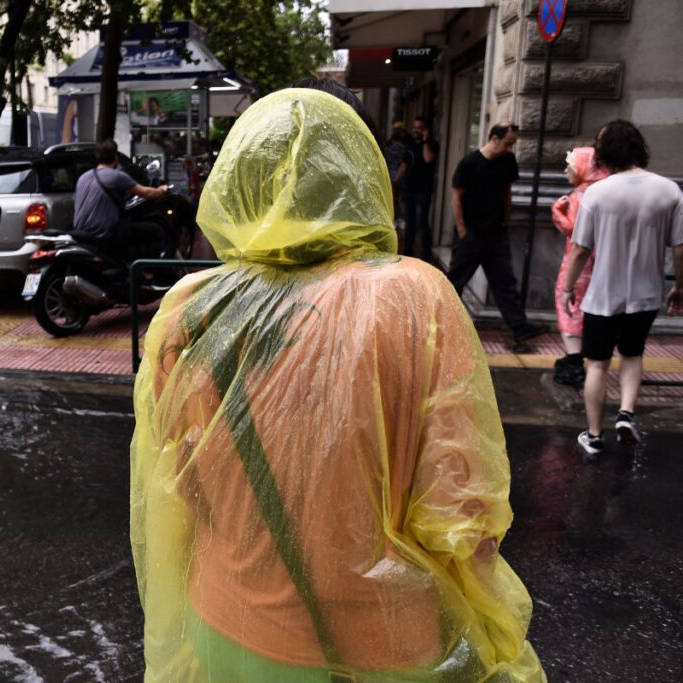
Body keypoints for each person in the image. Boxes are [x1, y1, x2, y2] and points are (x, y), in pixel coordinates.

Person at [131, 83, 544, 681]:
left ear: (239, 180)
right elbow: (465, 516)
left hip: (224, 625)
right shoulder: (413, 297)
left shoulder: (190, 309)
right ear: (360, 173)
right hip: (378, 644)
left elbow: (179, 483)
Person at [562, 120, 683, 456]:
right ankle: (626, 414)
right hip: (646, 294)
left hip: (602, 295)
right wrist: (680, 288)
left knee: (597, 363)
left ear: (606, 154)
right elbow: (680, 247)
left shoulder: (597, 193)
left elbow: (581, 248)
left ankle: (595, 434)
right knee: (633, 354)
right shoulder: (669, 190)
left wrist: (568, 288)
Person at [449, 123, 548, 343]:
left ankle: (519, 327)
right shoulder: (469, 163)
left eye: (512, 144)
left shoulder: (507, 161)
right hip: (471, 234)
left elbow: (507, 191)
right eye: (507, 143)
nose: (510, 148)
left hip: (496, 234)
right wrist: (463, 231)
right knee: (455, 281)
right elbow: (456, 197)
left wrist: (506, 218)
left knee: (505, 282)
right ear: (494, 138)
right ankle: (439, 325)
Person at [551, 147, 608, 386]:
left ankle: (574, 361)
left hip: (579, 263)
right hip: (604, 263)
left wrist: (557, 213)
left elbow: (576, 233)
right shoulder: (606, 193)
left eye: (570, 167)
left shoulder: (580, 196)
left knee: (569, 306)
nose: (566, 171)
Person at [72, 139, 169, 261]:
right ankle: (146, 273)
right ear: (115, 157)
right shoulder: (116, 176)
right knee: (155, 231)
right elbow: (147, 193)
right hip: (104, 233)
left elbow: (76, 207)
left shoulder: (83, 178)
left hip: (81, 232)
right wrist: (162, 189)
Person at [401, 116, 440, 262]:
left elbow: (428, 158)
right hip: (409, 189)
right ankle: (407, 254)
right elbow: (404, 165)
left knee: (422, 222)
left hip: (423, 190)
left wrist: (425, 141)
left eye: (420, 128)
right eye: (415, 127)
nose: (416, 130)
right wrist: (395, 182)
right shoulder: (410, 145)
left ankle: (426, 255)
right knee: (409, 223)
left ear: (426, 130)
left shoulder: (432, 145)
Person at [383, 127, 408, 225]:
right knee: (400, 200)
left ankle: (394, 220)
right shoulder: (405, 149)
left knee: (392, 201)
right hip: (402, 177)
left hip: (391, 177)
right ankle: (402, 220)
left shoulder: (389, 149)